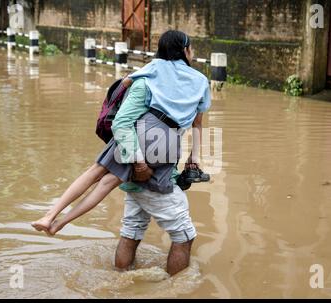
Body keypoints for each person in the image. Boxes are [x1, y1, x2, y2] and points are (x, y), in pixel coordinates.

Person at [31, 31, 211, 276]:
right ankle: (174, 290)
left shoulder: (153, 70)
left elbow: (124, 105)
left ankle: (53, 217)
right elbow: (198, 125)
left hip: (142, 132)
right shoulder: (200, 81)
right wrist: (194, 158)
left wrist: (126, 82)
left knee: (99, 176)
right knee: (162, 228)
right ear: (185, 49)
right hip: (167, 144)